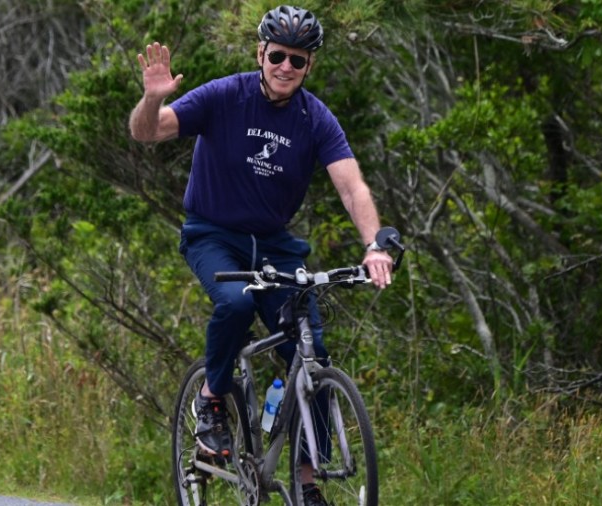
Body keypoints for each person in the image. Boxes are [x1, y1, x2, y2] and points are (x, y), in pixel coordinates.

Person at [128, 5, 393, 504]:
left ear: (309, 65)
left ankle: (307, 481)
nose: (285, 67)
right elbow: (148, 131)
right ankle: (211, 400)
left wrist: (374, 244)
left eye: (297, 59)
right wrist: (150, 99)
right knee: (236, 304)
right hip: (213, 234)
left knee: (310, 350)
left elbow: (352, 186)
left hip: (274, 243)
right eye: (277, 55)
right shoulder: (226, 95)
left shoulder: (316, 119)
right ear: (260, 53)